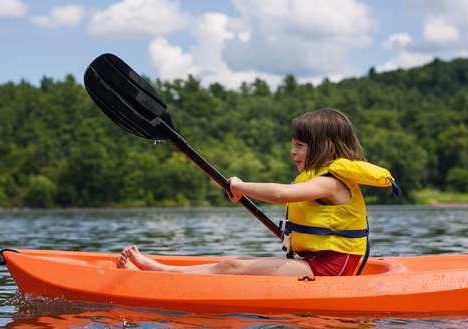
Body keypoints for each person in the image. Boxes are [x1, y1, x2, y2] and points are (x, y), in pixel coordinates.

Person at [116, 108, 400, 277]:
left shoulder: (331, 182)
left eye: (300, 145)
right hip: (315, 263)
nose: (293, 151)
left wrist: (240, 186)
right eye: (294, 144)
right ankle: (162, 272)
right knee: (236, 263)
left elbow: (278, 194)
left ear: (328, 148)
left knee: (233, 267)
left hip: (327, 271)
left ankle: (160, 274)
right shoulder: (322, 179)